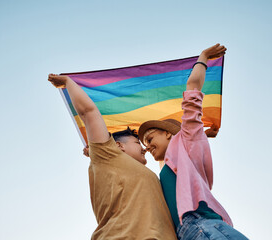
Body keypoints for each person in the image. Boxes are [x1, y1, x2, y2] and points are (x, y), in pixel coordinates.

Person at [138, 44, 248, 239]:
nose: (146, 146)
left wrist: (203, 57)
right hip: (193, 230)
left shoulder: (184, 141)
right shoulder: (172, 162)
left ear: (169, 134)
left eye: (150, 138)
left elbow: (193, 91)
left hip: (201, 225)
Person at [48, 74, 177, 240]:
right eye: (138, 143)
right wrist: (68, 83)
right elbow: (89, 113)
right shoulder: (109, 155)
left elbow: (170, 156)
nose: (145, 148)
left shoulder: (149, 175)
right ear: (119, 146)